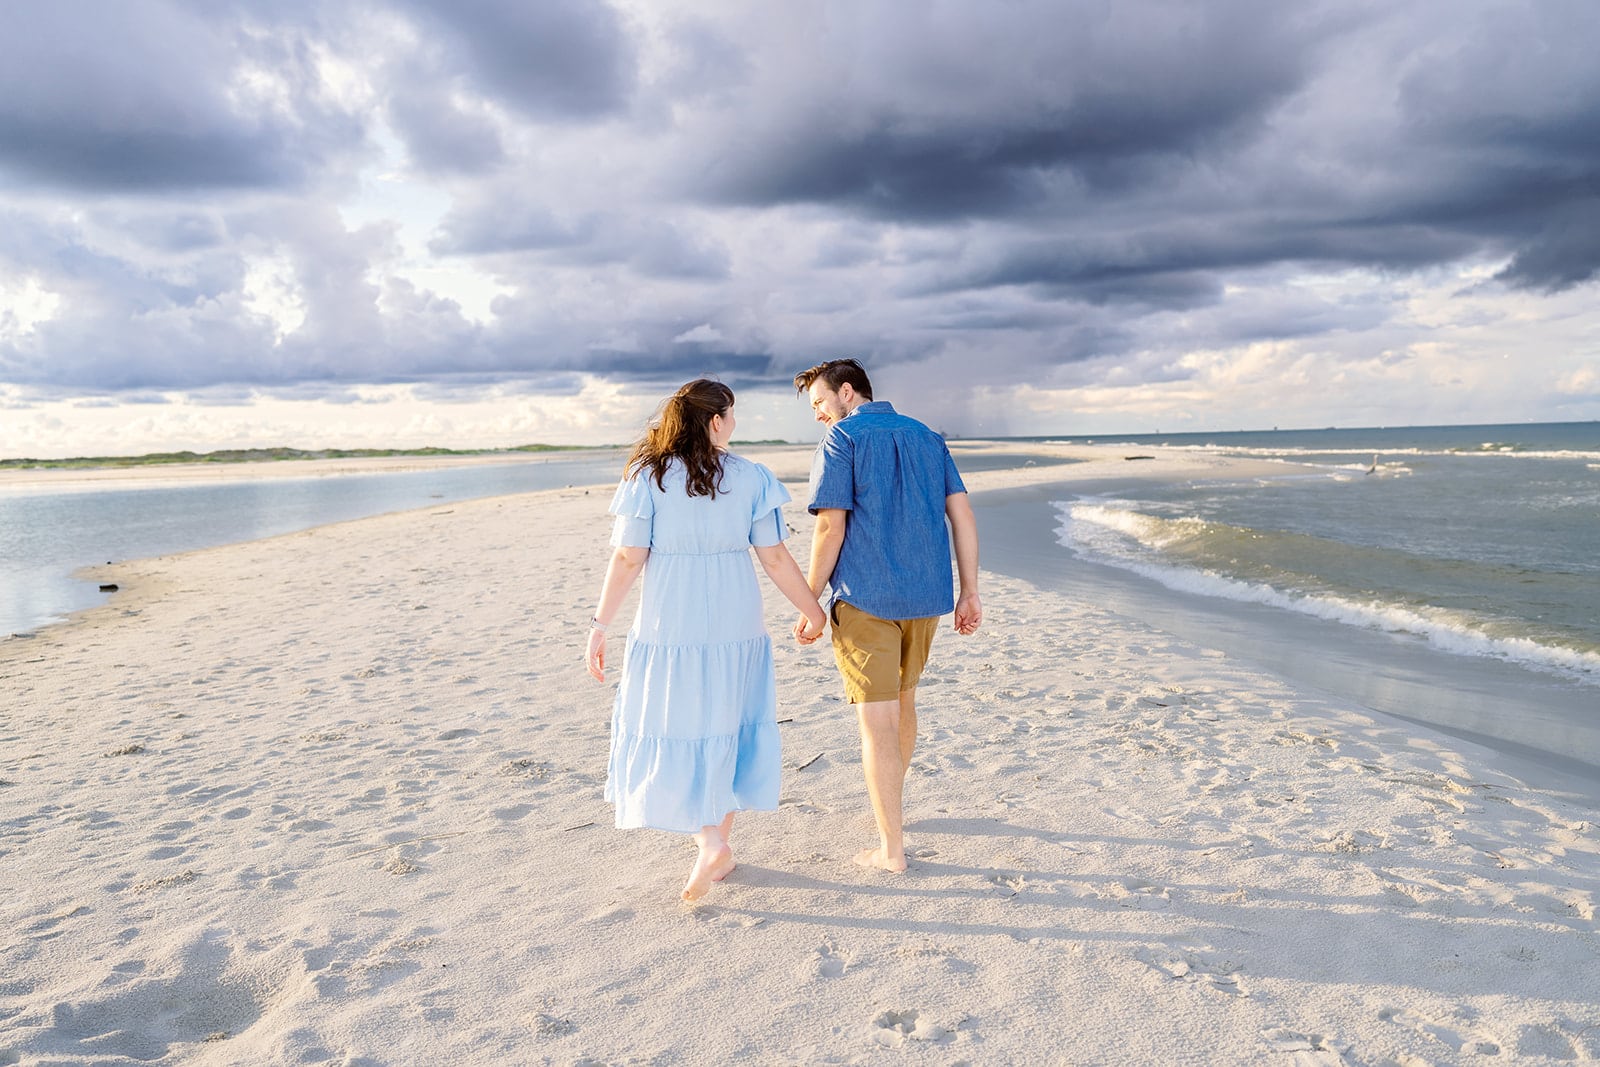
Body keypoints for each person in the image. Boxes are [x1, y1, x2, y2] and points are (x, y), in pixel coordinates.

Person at [587, 379, 827, 903]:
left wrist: (600, 624)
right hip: (735, 618)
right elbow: (776, 558)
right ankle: (715, 842)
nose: (735, 424)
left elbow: (629, 557)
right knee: (729, 721)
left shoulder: (646, 475)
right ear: (715, 420)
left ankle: (712, 842)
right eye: (732, 415)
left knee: (680, 722)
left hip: (671, 621)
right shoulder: (752, 478)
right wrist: (814, 612)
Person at [791, 359, 982, 873]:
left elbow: (831, 529)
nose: (817, 416)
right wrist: (970, 591)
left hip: (866, 597)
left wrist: (809, 600)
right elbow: (961, 514)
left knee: (876, 723)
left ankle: (890, 849)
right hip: (925, 597)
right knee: (903, 702)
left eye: (819, 403)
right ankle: (892, 813)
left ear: (846, 392)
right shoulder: (927, 436)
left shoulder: (842, 440)